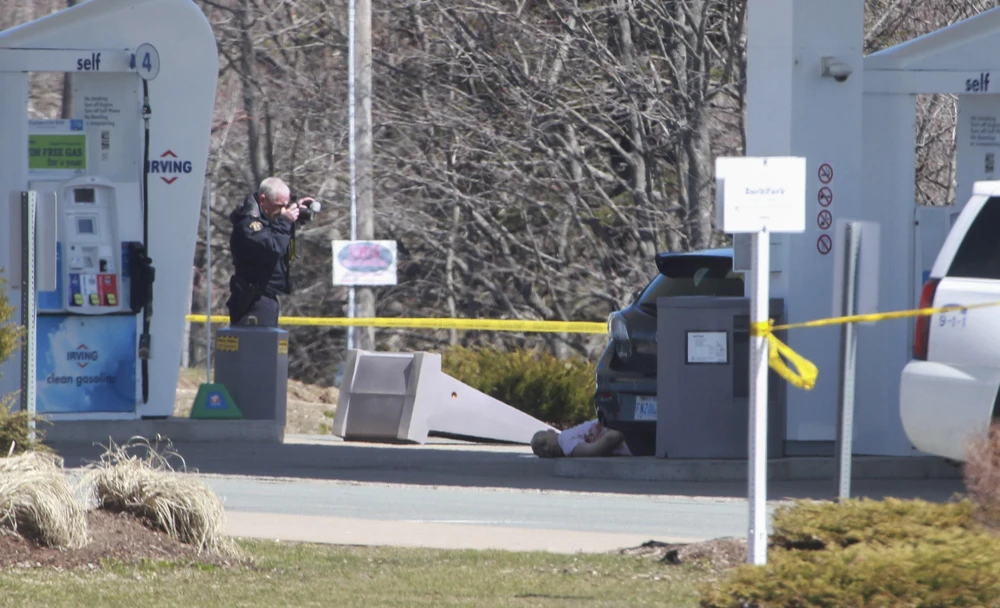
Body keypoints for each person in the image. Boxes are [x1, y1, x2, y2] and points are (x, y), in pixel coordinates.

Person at [226, 177, 315, 327]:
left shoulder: (267, 215)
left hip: (267, 296)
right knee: (258, 348)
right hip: (252, 300)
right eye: (279, 206)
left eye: (285, 206)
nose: (281, 211)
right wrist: (285, 221)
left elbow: (277, 236)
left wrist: (296, 210)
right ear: (263, 199)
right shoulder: (249, 222)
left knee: (268, 347)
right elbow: (272, 247)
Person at [530, 419, 633, 458]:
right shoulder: (568, 443)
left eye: (543, 443)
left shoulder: (565, 443)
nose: (546, 449)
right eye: (540, 452)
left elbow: (594, 450)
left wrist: (621, 431)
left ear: (551, 431)